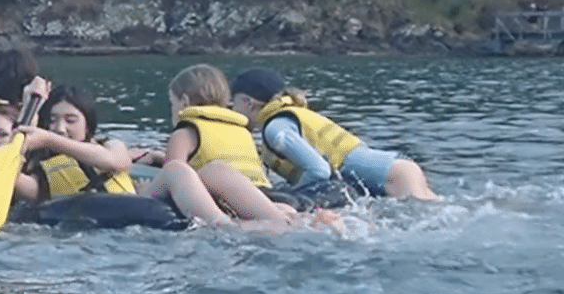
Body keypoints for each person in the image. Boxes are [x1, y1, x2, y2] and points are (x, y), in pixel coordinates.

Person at [131, 64, 321, 231]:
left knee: (176, 170)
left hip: (225, 202)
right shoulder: (240, 129)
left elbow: (177, 174)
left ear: (184, 102)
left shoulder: (186, 131)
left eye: (172, 102)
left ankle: (221, 225)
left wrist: (145, 190)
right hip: (265, 197)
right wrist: (157, 156)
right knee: (220, 171)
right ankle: (301, 220)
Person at [229, 67, 439, 201]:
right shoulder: (293, 113)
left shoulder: (276, 128)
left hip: (391, 178)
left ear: (248, 103)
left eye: (234, 102)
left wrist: (293, 195)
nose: (232, 108)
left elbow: (319, 170)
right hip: (398, 168)